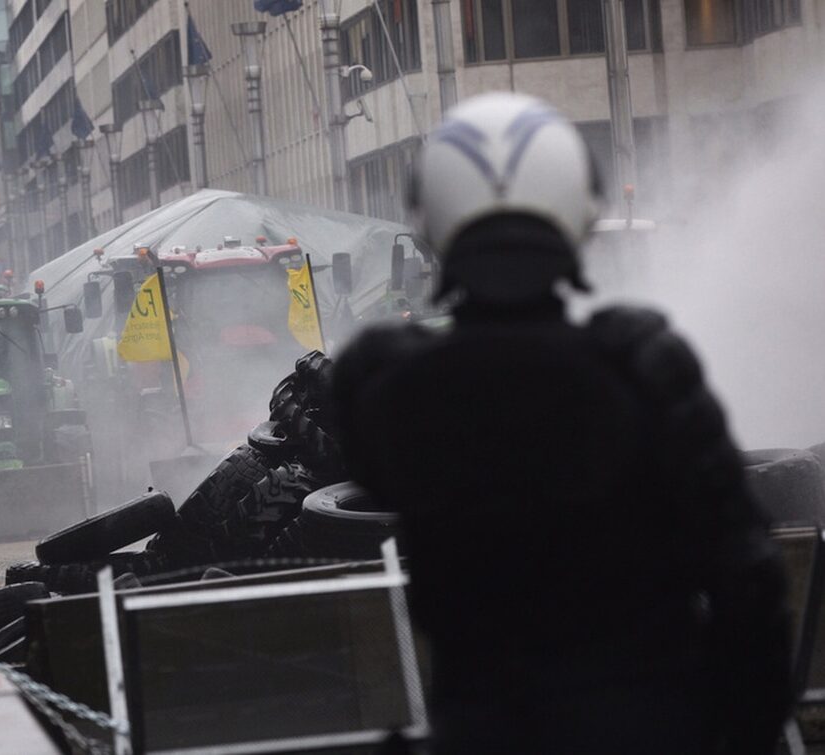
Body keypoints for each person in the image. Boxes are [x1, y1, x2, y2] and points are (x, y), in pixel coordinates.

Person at [333, 93, 790, 754]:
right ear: (580, 210)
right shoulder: (643, 368)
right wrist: (736, 731)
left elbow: (375, 456)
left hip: (482, 732)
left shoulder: (388, 388)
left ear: (430, 221)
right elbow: (749, 575)